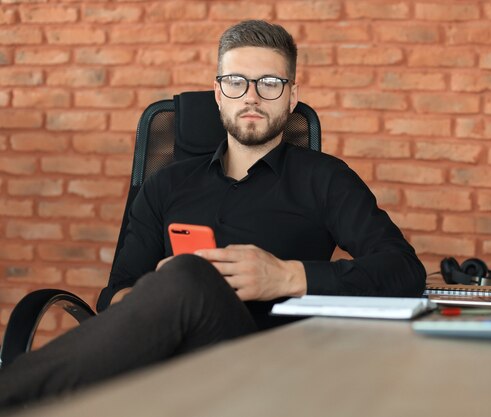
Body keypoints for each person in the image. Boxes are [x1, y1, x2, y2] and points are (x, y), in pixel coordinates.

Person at [0, 20, 425, 407]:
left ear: (292, 97)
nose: (253, 97)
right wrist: (160, 292)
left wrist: (286, 276)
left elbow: (405, 272)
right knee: (184, 278)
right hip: (165, 371)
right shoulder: (165, 184)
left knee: (188, 276)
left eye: (270, 83)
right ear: (219, 93)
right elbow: (114, 297)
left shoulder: (326, 179)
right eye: (237, 82)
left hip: (272, 376)